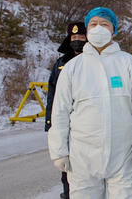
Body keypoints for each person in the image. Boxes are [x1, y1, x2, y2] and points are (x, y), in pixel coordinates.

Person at [48, 7, 132, 199]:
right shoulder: (73, 67)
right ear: (87, 31)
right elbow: (60, 112)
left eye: (104, 24)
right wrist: (59, 150)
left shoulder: (128, 64)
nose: (99, 28)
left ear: (114, 30)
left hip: (124, 154)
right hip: (82, 156)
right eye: (93, 24)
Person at [45, 22, 87, 199]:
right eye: (74, 37)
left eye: (81, 37)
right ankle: (68, 193)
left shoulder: (93, 61)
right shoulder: (61, 63)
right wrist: (50, 122)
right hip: (64, 121)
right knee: (66, 164)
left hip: (85, 123)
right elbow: (52, 94)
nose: (77, 40)